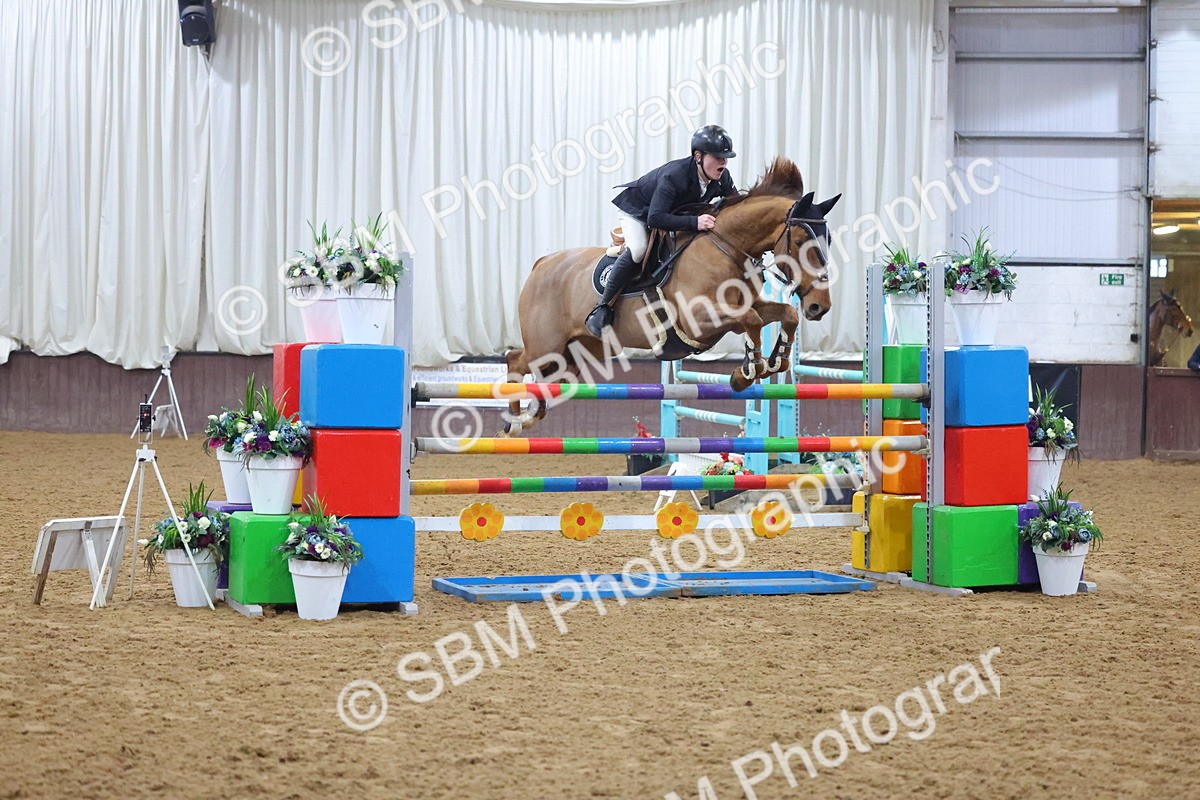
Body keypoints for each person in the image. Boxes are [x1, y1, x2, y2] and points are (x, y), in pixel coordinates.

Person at [584, 124, 740, 336]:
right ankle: (602, 307)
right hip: (639, 211)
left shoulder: (722, 176)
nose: (723, 161)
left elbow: (736, 206)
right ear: (698, 157)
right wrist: (695, 223)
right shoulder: (674, 176)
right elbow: (655, 218)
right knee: (638, 249)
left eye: (725, 157)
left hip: (671, 213)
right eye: (717, 156)